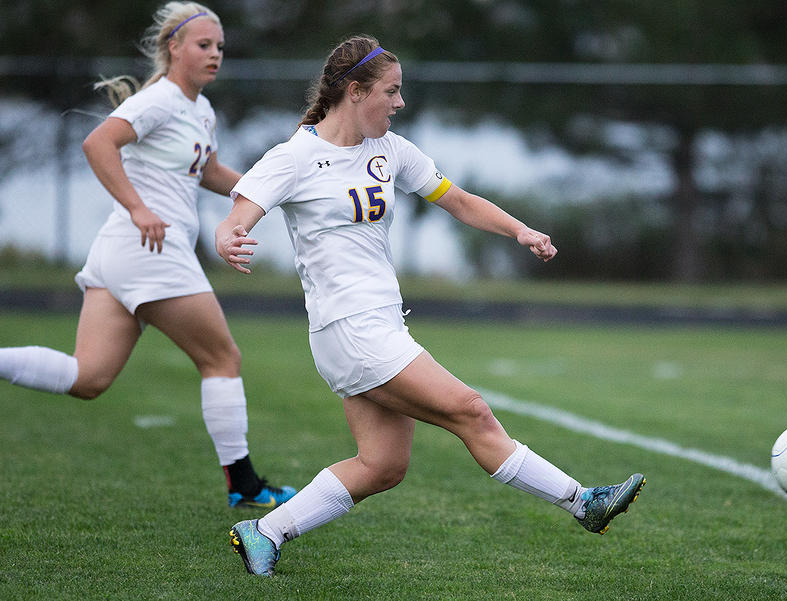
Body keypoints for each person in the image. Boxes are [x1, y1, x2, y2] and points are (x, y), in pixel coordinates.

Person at [217, 35, 646, 576]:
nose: (400, 102)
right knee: (472, 410)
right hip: (349, 329)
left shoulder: (390, 150)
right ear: (355, 91)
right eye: (391, 91)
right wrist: (229, 239)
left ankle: (264, 532)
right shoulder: (294, 158)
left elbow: (459, 201)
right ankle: (583, 502)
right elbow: (237, 217)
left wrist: (520, 230)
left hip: (378, 326)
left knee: (382, 466)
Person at [0, 2, 294, 509]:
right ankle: (245, 487)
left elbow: (208, 172)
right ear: (173, 47)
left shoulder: (201, 109)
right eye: (204, 45)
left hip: (122, 252)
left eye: (220, 46)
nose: (215, 54)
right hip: (150, 249)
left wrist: (268, 190)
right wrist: (138, 208)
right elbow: (98, 144)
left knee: (88, 377)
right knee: (222, 358)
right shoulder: (159, 100)